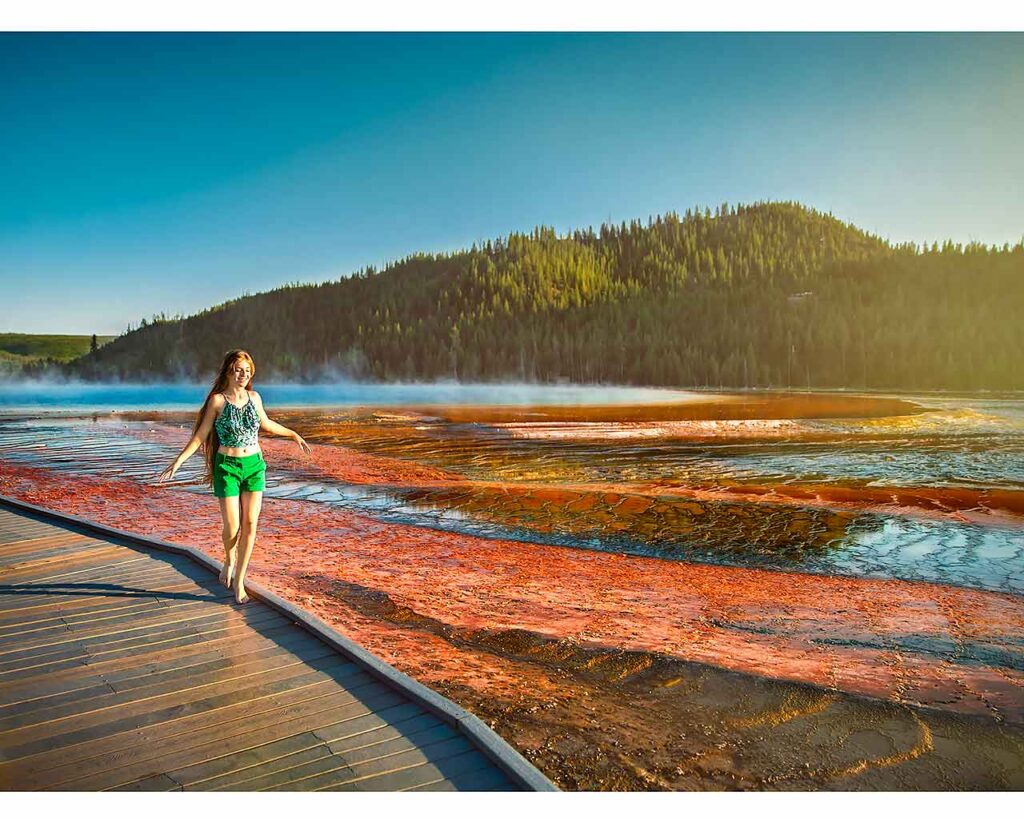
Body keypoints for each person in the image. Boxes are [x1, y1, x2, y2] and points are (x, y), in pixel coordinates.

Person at [158, 349, 311, 604]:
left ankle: (239, 580)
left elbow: (268, 424)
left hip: (254, 466)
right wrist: (178, 461)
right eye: (239, 370)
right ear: (229, 370)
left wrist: (293, 434)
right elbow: (200, 436)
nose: (243, 375)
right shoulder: (217, 401)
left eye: (247, 371)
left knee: (251, 525)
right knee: (233, 527)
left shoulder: (255, 397)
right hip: (227, 466)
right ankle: (228, 559)